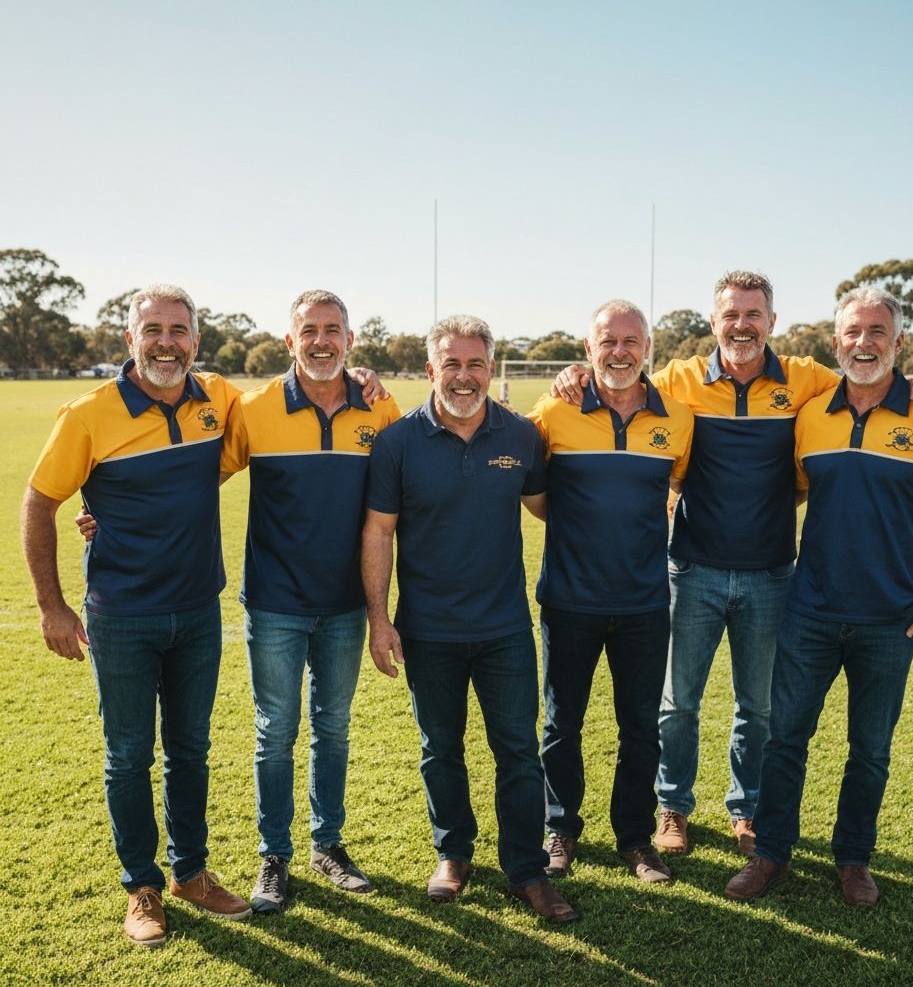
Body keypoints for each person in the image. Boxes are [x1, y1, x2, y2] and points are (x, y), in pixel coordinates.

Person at [552, 272, 913, 858]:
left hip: (772, 574)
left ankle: (747, 809)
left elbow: (869, 374)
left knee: (757, 707)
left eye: (754, 315)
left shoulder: (808, 380)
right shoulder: (678, 380)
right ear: (714, 324)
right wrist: (578, 372)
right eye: (731, 315)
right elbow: (621, 380)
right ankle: (671, 808)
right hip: (690, 570)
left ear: (772, 321)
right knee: (678, 703)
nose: (743, 325)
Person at [724, 285, 913, 906]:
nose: (863, 343)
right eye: (852, 332)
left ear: (899, 342)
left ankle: (853, 859)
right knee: (785, 740)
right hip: (810, 612)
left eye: (878, 332)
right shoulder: (813, 413)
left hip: (891, 620)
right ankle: (770, 854)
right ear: (834, 340)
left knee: (869, 750)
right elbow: (793, 489)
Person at [21, 284, 250, 948]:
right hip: (120, 617)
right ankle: (141, 887)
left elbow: (268, 419)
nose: (166, 342)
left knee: (191, 752)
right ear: (131, 339)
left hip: (197, 613)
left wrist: (360, 376)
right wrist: (52, 605)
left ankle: (190, 873)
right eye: (153, 329)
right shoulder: (89, 412)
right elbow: (39, 504)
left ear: (196, 341)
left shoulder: (219, 399)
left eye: (178, 330)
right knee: (128, 757)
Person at [361, 314, 578, 924]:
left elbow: (550, 509)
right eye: (451, 364)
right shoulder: (398, 441)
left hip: (505, 626)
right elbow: (378, 531)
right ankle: (453, 854)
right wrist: (381, 620)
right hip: (428, 628)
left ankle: (527, 870)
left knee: (517, 750)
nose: (464, 376)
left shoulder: (521, 436)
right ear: (432, 370)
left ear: (491, 368)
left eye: (475, 364)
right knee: (441, 748)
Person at [219, 290, 401, 913]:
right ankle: (274, 856)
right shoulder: (255, 408)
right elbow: (194, 477)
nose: (321, 340)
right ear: (290, 338)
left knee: (334, 726)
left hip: (348, 604)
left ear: (350, 338)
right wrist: (103, 510)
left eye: (333, 329)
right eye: (309, 330)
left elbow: (406, 492)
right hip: (274, 602)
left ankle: (328, 845)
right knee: (275, 733)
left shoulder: (380, 407)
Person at [526, 300, 692, 883]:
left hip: (645, 602)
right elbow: (533, 492)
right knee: (559, 723)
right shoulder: (554, 409)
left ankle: (634, 838)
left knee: (640, 727)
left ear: (648, 347)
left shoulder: (677, 417)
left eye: (630, 341)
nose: (618, 352)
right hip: (569, 600)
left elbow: (674, 486)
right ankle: (560, 828)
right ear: (588, 345)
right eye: (607, 341)